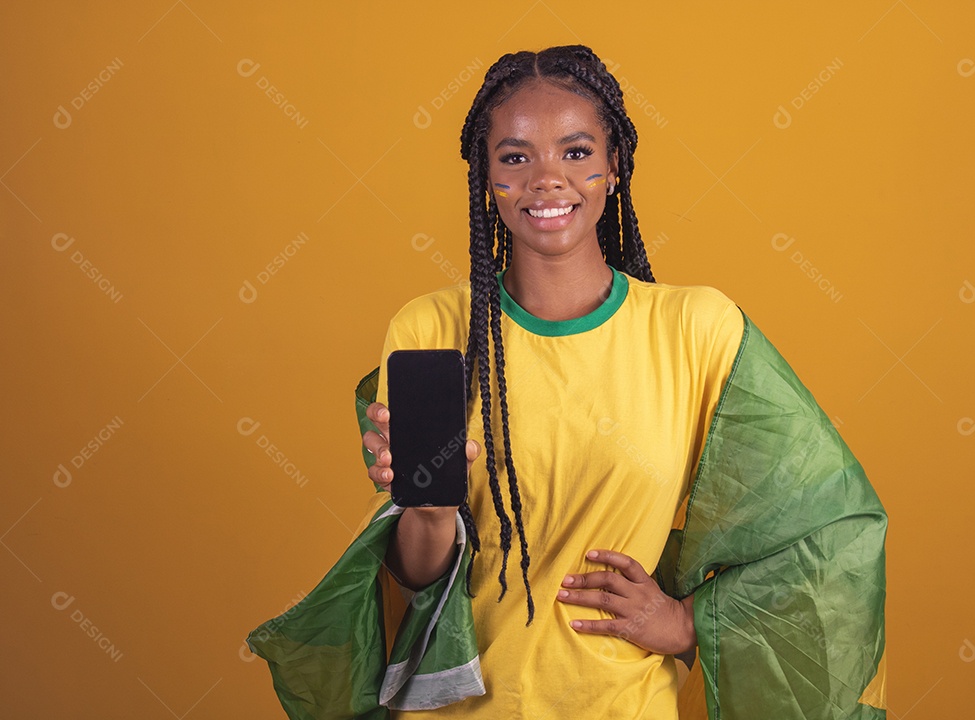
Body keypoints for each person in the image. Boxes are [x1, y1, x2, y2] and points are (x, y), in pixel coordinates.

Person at [247, 45, 887, 720]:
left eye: (576, 152)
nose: (547, 179)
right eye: (516, 157)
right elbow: (420, 577)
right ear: (485, 177)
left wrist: (685, 622)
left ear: (614, 169)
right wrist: (428, 509)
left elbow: (832, 527)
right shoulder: (434, 327)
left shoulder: (698, 330)